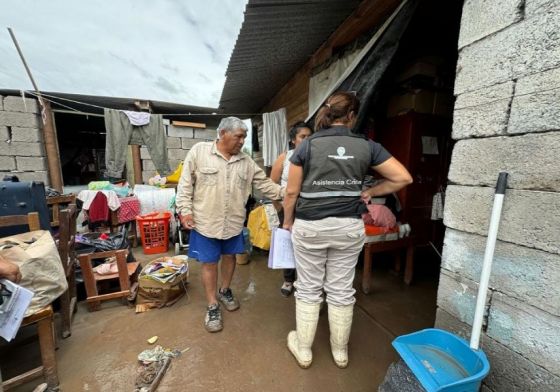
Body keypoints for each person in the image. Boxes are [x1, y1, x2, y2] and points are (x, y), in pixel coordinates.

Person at [282, 91, 412, 369]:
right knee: (341, 290)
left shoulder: (307, 145)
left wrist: (287, 221)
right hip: (348, 226)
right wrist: (372, 191)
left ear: (328, 113)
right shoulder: (367, 145)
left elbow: (291, 192)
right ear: (352, 116)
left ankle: (304, 350)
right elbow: (403, 177)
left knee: (308, 288)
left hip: (311, 226)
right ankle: (340, 353)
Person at [175, 117, 283, 333]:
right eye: (239, 136)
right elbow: (185, 184)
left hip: (233, 222)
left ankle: (225, 290)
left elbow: (266, 185)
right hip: (205, 221)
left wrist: (290, 193)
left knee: (230, 257)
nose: (242, 141)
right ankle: (212, 304)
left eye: (244, 137)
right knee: (208, 263)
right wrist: (184, 211)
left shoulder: (246, 161)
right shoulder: (199, 152)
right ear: (223, 133)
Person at [270, 121, 313, 297]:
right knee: (288, 244)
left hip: (309, 208)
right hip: (288, 208)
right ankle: (288, 280)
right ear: (293, 140)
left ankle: (306, 280)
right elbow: (271, 184)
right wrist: (279, 207)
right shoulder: (284, 158)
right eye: (303, 137)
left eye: (310, 137)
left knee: (308, 245)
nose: (307, 140)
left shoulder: (317, 157)